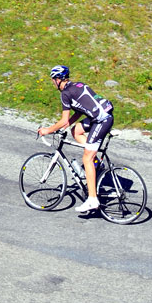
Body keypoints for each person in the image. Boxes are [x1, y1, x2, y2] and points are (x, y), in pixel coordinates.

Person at [37, 65, 114, 215]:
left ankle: (92, 199)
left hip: (101, 120)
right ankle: (95, 160)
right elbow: (78, 113)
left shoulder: (65, 93)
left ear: (58, 79)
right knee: (76, 131)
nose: (53, 82)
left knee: (87, 158)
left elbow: (64, 119)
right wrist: (66, 126)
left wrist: (47, 130)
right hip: (103, 115)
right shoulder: (77, 86)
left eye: (53, 79)